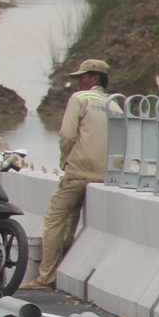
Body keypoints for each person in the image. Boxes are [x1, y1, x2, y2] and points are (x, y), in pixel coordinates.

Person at [32, 59, 111, 289]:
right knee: (72, 220)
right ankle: (64, 267)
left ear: (95, 78)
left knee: (55, 218)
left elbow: (67, 134)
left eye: (82, 77)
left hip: (78, 171)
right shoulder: (114, 104)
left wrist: (65, 160)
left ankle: (46, 277)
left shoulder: (80, 98)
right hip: (104, 175)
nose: (79, 81)